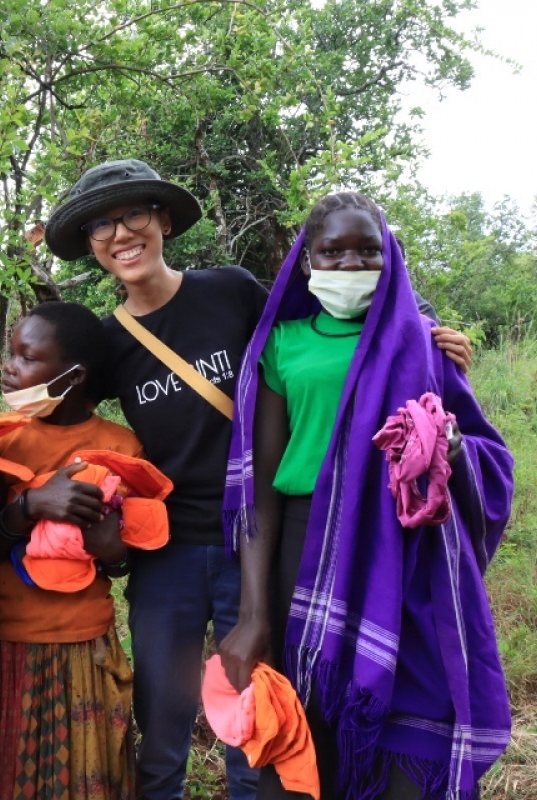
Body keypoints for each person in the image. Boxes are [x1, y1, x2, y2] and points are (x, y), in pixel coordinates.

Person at [43, 160, 475, 800]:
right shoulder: (111, 342)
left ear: (163, 220)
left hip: (265, 542)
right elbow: (67, 417)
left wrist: (427, 332)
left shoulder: (232, 290)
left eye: (135, 213)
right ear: (89, 245)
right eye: (101, 224)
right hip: (170, 548)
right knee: (161, 718)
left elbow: (331, 323)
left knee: (261, 712)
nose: (120, 234)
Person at [218, 191, 514, 799]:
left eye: (368, 252)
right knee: (304, 725)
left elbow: (486, 454)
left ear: (392, 258)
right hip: (303, 551)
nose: (351, 266)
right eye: (332, 252)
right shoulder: (281, 343)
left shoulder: (425, 343)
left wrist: (452, 447)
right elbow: (262, 489)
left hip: (405, 553)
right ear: (307, 263)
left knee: (412, 721)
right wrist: (252, 613)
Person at [0, 301, 150, 800]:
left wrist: (112, 550)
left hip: (85, 646)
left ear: (73, 376)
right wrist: (29, 505)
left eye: (26, 357)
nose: (9, 367)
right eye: (11, 354)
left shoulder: (122, 448)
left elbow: (127, 558)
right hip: (3, 644)